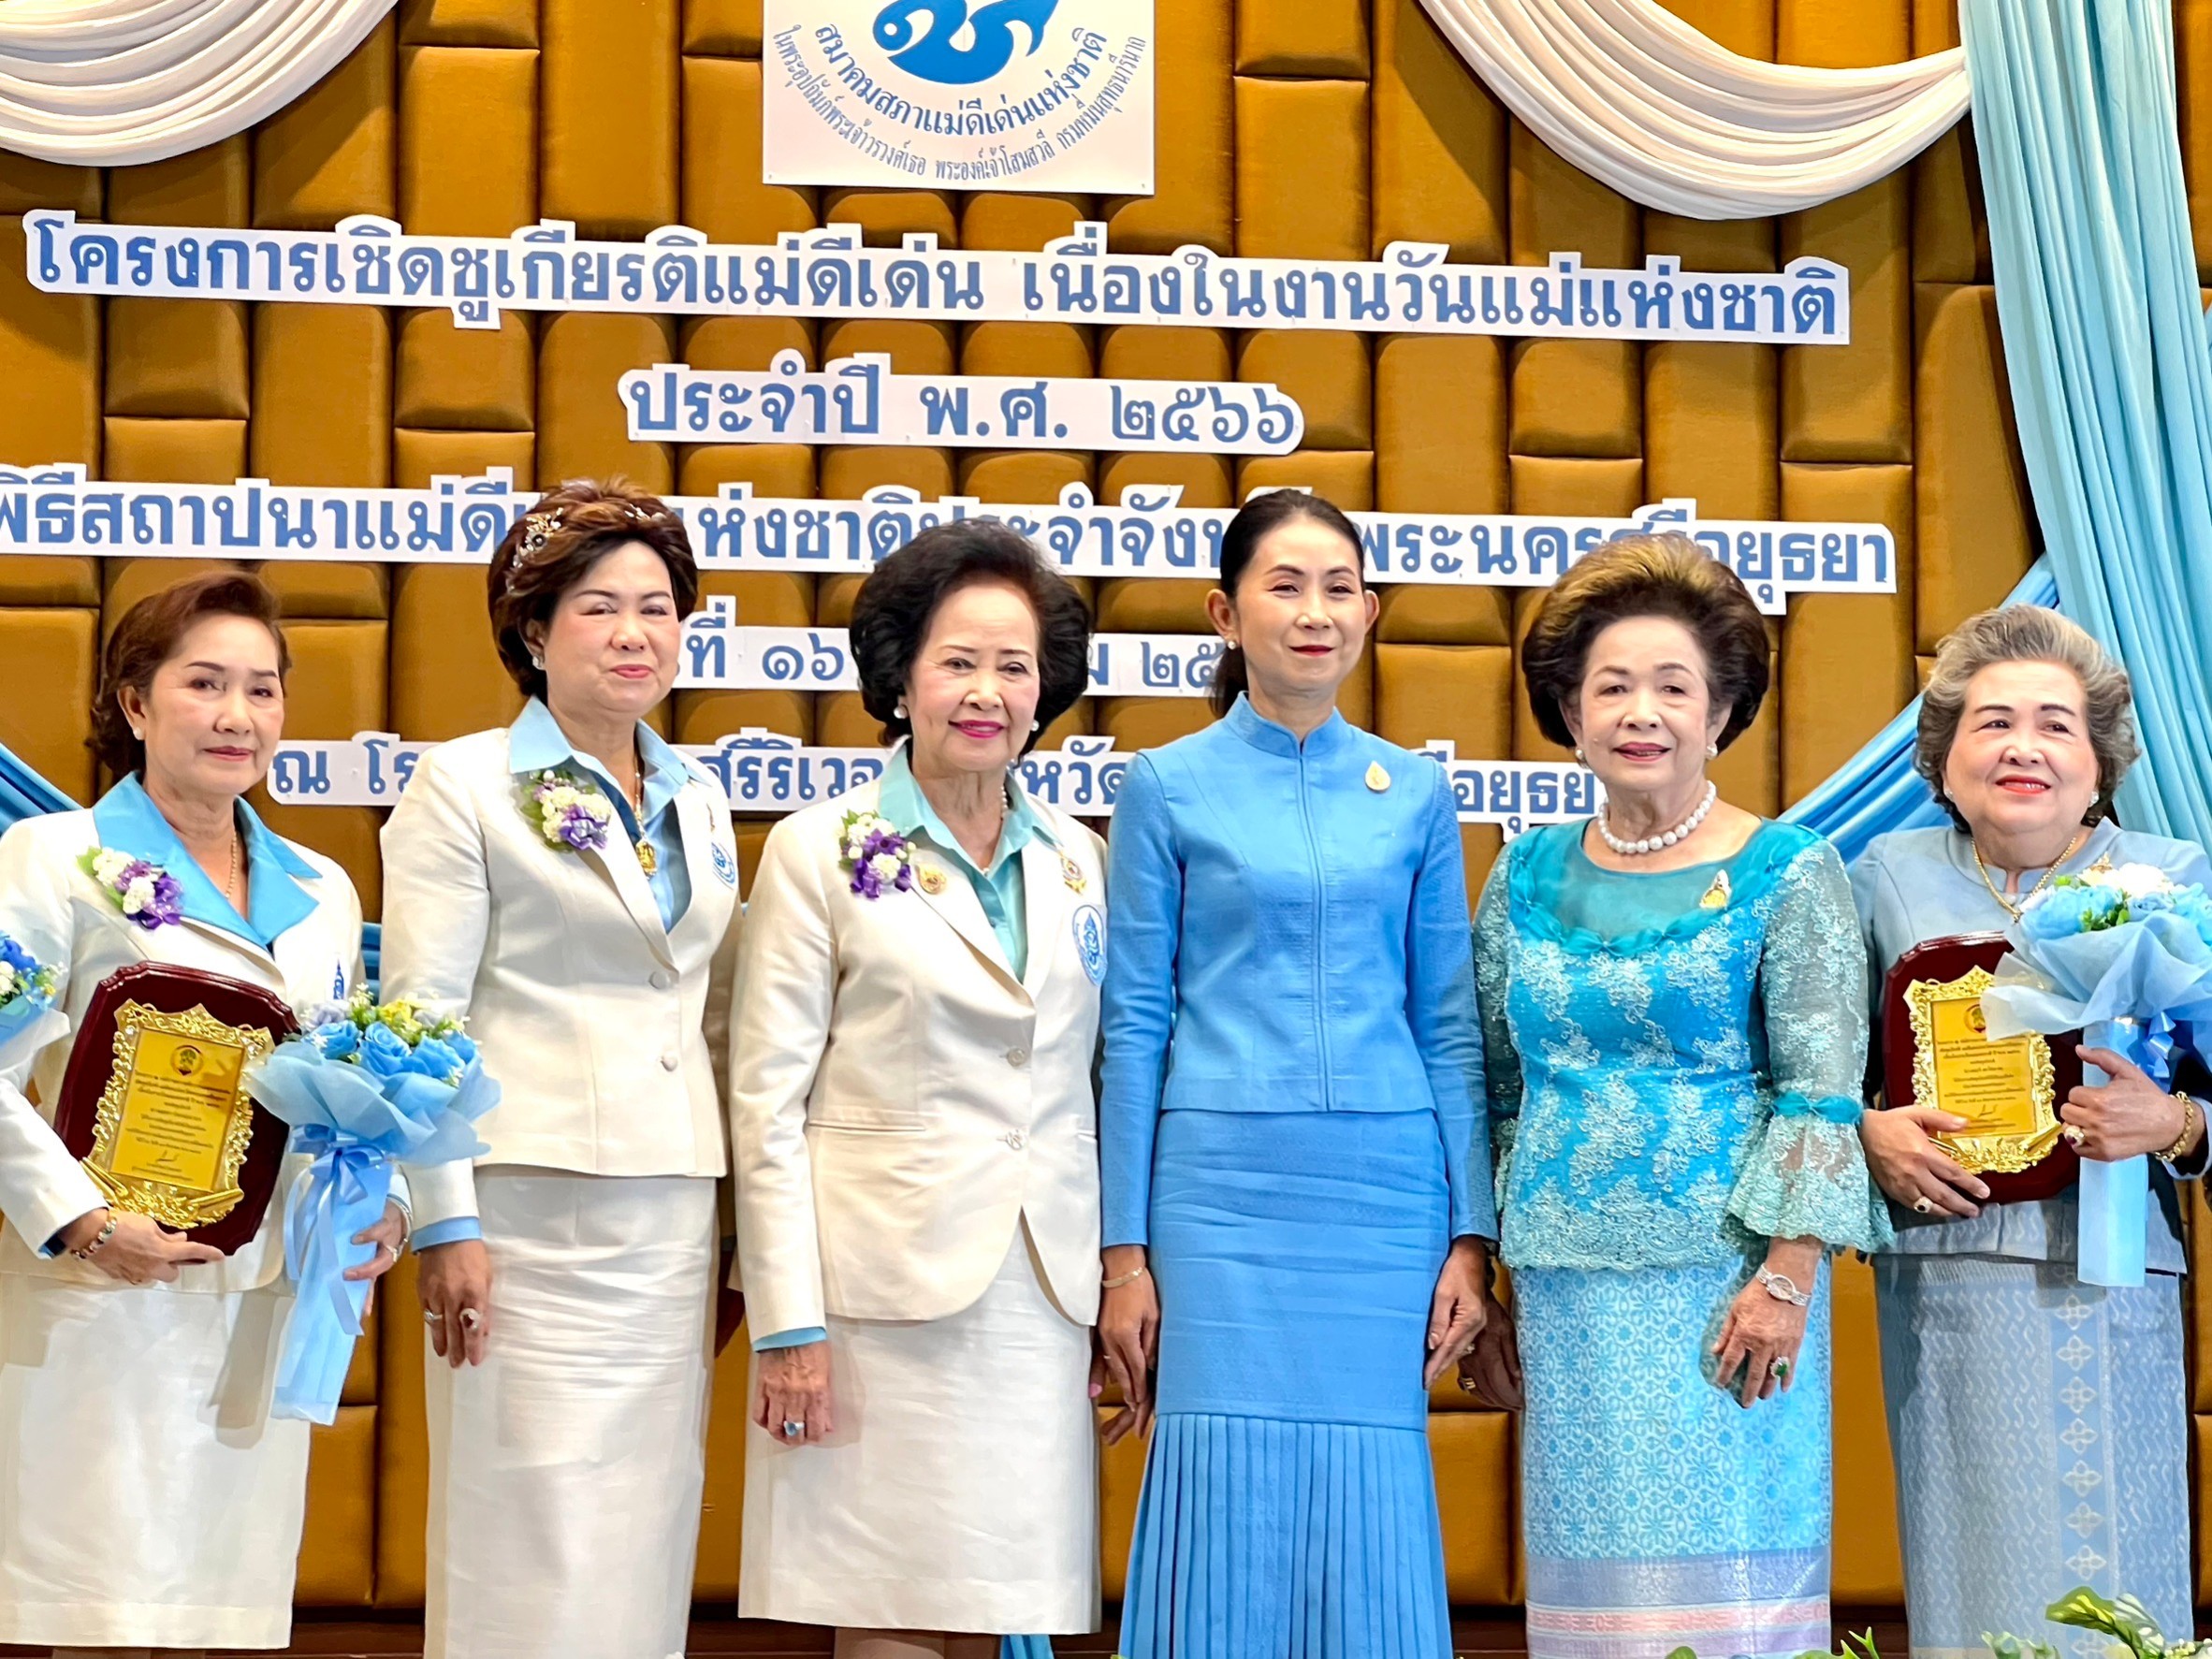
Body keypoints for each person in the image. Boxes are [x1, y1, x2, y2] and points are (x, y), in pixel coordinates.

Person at [1462, 534, 1889, 1659]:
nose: (1640, 711)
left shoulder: (1790, 870)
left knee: (1728, 1595)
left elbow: (1821, 1098)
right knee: (1597, 1599)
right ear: (1568, 707)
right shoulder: (1523, 873)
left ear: (1722, 710)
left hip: (1731, 1290)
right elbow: (1498, 1092)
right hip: (1564, 1295)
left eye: (1673, 687)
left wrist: (1788, 1281)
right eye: (1611, 686)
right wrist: (1493, 1280)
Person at [1096, 489, 1494, 1659]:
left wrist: (1470, 1235)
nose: (1314, 613)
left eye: (1339, 589)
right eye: (1285, 585)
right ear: (1227, 613)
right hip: (1215, 1198)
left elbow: (1448, 1024)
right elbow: (1134, 1027)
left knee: (1371, 1493)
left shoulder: (1417, 792)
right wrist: (1126, 1251)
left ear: (1368, 613)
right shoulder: (1164, 787)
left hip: (1382, 1203)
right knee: (1222, 1492)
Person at [0, 571, 405, 1656]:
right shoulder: (50, 859)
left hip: (256, 1298)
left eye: (263, 690)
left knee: (220, 1623)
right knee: (104, 1619)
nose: (239, 716)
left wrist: (389, 1198)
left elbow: (349, 1078)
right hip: (100, 1290)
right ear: (135, 704)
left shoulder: (324, 887)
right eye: (206, 683)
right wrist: (79, 1220)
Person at [381, 480, 744, 1659]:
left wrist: (741, 1227)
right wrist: (444, 1222)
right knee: (524, 1513)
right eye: (599, 607)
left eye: (658, 606)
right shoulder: (466, 783)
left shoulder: (701, 793)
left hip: (673, 1204)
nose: (636, 632)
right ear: (534, 635)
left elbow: (713, 1012)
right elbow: (420, 1019)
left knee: (647, 1519)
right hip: (523, 1207)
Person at [728, 520, 1103, 1659]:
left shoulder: (1080, 857)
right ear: (899, 678)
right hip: (873, 1296)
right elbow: (766, 1102)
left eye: (1014, 665)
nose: (986, 691)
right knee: (888, 1610)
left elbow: (1084, 1074)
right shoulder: (814, 848)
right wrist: (786, 1323)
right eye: (957, 662)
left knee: (1001, 1607)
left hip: (1038, 1291)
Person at [1851, 605, 2205, 1653]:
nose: (2022, 746)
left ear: (2100, 762)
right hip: (1947, 1268)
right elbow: (1830, 1078)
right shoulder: (1885, 877)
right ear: (1945, 760)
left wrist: (2179, 1120)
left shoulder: (2176, 880)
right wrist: (1873, 1134)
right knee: (1973, 1571)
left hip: (2117, 1273)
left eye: (2055, 724)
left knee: (2120, 1571)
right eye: (1990, 723)